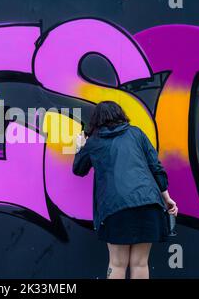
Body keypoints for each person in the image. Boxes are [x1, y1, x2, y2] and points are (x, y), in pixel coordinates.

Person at [72, 101, 178, 279]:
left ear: (96, 120)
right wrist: (166, 198)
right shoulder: (135, 133)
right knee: (140, 263)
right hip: (148, 203)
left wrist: (80, 146)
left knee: (117, 263)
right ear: (120, 114)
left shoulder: (94, 142)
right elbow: (155, 166)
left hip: (115, 208)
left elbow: (79, 169)